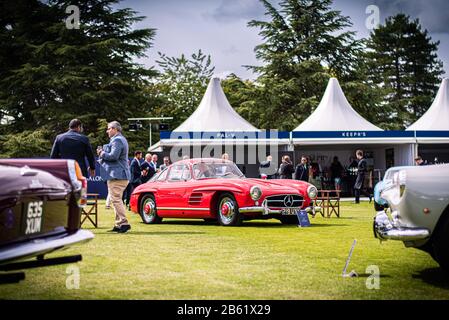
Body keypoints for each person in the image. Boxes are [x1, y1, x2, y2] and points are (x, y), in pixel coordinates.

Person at [97, 121, 131, 233]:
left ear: (115, 129)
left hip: (118, 176)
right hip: (119, 175)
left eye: (108, 128)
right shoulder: (119, 139)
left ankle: (124, 223)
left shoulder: (117, 140)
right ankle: (118, 224)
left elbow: (113, 156)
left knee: (115, 200)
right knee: (116, 200)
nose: (107, 131)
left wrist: (101, 153)